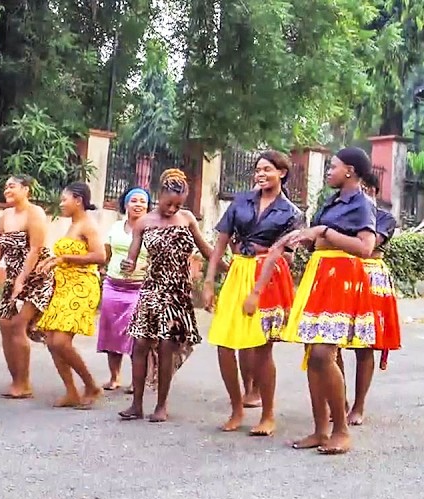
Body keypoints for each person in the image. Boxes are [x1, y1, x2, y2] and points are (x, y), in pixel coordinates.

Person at [259, 147, 378, 454]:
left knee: (324, 354)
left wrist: (324, 231)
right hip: (320, 275)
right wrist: (302, 238)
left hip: (342, 278)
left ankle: (341, 430)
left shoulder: (362, 204)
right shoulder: (332, 201)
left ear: (350, 170)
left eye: (333, 166)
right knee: (313, 355)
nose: (328, 171)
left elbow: (364, 247)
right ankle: (320, 430)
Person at [202, 151, 303, 437]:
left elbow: (288, 257)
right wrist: (209, 282)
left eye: (267, 169)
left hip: (268, 278)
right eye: (258, 169)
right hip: (237, 272)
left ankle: (268, 414)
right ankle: (236, 409)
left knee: (260, 349)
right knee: (223, 343)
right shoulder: (240, 201)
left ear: (282, 173)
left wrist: (259, 283)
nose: (261, 174)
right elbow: (220, 243)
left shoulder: (292, 213)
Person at [120, 168, 213, 423]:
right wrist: (127, 265)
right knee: (139, 345)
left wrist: (230, 268)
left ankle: (161, 405)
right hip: (151, 289)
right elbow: (132, 255)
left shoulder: (187, 219)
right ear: (158, 194)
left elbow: (206, 250)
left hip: (177, 293)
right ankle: (136, 404)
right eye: (169, 202)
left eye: (178, 204)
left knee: (166, 346)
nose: (173, 208)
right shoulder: (144, 222)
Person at [0, 175, 53, 399]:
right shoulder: (5, 215)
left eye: (12, 186)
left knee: (19, 324)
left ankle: (24, 383)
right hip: (13, 277)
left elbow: (35, 249)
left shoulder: (35, 213)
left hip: (36, 275)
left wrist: (22, 280)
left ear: (26, 189)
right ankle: (16, 380)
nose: (7, 190)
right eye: (6, 186)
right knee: (5, 325)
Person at [35, 182, 106, 408]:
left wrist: (65, 259)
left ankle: (91, 385)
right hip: (64, 286)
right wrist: (51, 261)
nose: (61, 204)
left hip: (82, 287)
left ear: (78, 200)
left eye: (64, 200)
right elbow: (67, 255)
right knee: (51, 340)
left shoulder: (88, 225)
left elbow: (99, 256)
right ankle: (71, 391)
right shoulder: (73, 225)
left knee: (62, 342)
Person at [341, 173, 399, 426]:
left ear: (374, 191)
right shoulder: (341, 211)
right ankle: (339, 399)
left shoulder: (385, 218)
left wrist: (339, 239)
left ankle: (358, 406)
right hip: (342, 276)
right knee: (331, 341)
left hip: (371, 278)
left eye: (366, 188)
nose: (361, 192)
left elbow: (369, 245)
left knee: (365, 345)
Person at [97, 188, 150, 392]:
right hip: (113, 285)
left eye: (142, 202)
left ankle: (137, 380)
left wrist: (144, 268)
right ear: (126, 205)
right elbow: (106, 253)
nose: (138, 205)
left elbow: (155, 258)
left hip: (138, 288)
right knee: (111, 332)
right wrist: (102, 270)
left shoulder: (151, 228)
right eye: (134, 201)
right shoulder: (116, 227)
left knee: (137, 336)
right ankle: (114, 377)